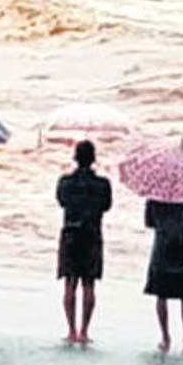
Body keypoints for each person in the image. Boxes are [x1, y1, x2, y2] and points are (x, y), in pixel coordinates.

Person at [56, 141, 112, 345]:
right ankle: (84, 331)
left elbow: (61, 201)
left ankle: (71, 331)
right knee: (89, 283)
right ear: (94, 159)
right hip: (92, 234)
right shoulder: (103, 184)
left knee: (70, 282)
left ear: (75, 157)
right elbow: (106, 206)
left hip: (70, 232)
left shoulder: (65, 182)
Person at [143, 200, 183, 353]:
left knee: (162, 296)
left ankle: (165, 338)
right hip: (181, 247)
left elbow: (149, 223)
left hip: (161, 248)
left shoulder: (154, 198)